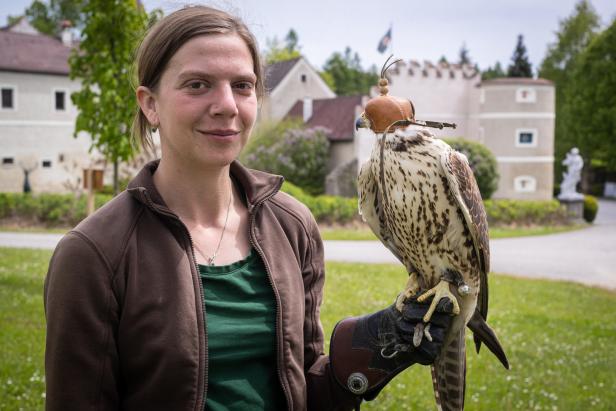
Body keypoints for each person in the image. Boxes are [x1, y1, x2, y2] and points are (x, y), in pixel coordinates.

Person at [44, 6, 453, 410]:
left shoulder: (292, 226)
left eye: (242, 86)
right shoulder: (94, 254)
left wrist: (363, 359)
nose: (227, 105)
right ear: (150, 104)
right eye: (197, 85)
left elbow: (306, 391)